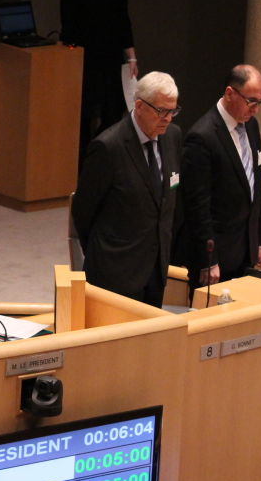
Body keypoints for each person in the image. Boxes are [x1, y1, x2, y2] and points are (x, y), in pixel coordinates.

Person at [71, 72, 182, 307]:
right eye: (162, 111)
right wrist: (105, 255)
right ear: (139, 106)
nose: (168, 118)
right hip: (115, 271)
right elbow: (83, 211)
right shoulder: (108, 147)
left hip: (155, 267)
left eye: (172, 111)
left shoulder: (172, 136)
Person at [182, 64, 261, 286]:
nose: (255, 109)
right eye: (251, 101)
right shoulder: (202, 137)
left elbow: (256, 185)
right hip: (217, 259)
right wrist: (208, 260)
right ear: (230, 93)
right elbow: (197, 207)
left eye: (260, 101)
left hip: (247, 252)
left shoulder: (251, 127)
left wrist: (260, 241)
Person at [60, 0, 137, 169]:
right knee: (84, 118)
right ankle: (81, 169)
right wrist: (72, 60)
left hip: (112, 58)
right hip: (86, 60)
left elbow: (123, 20)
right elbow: (68, 27)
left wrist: (132, 58)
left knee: (114, 115)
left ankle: (103, 162)